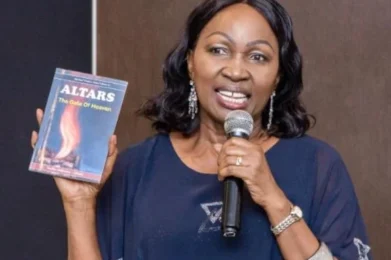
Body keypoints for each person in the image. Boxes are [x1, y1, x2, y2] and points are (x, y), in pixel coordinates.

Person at [31, 0, 372, 259]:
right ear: (191, 62)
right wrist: (79, 205)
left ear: (278, 76)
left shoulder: (318, 166)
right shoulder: (134, 170)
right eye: (219, 50)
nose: (236, 71)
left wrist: (273, 198)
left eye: (258, 57)